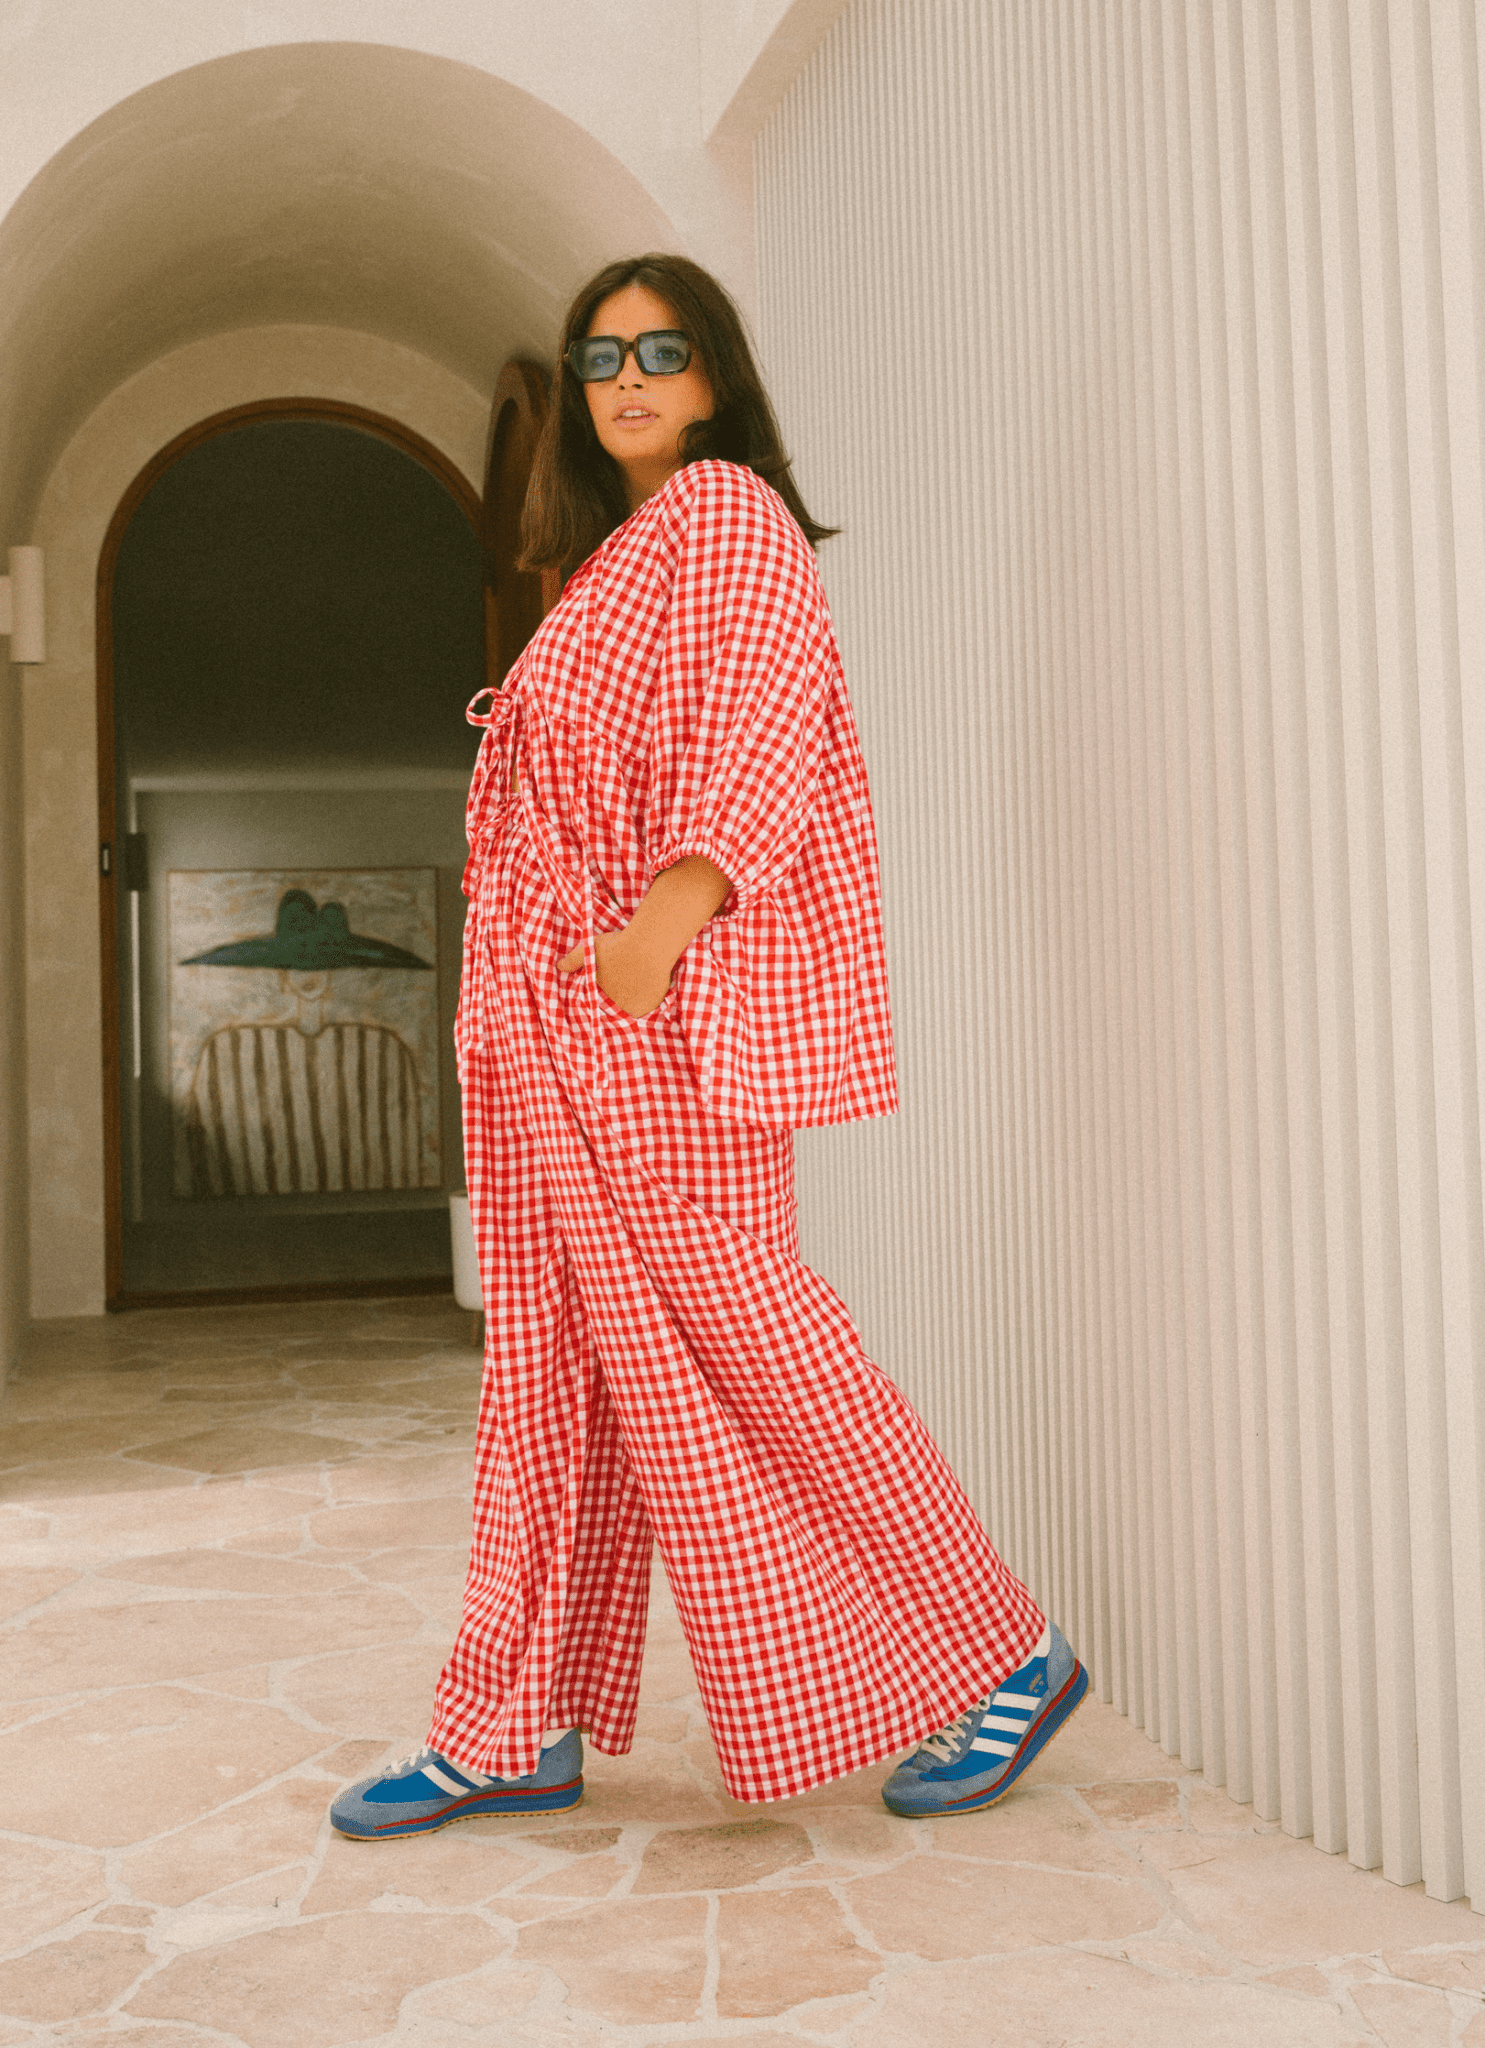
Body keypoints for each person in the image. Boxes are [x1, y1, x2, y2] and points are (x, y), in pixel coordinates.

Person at [331, 254, 1085, 1841]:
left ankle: (1004, 1651)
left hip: (648, 1019)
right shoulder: (614, 558)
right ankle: (513, 1726)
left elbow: (765, 730)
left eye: (660, 350)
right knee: (551, 1369)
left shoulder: (725, 514)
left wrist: (652, 937)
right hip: (555, 1024)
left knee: (759, 1339)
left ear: (717, 372)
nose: (627, 378)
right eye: (600, 356)